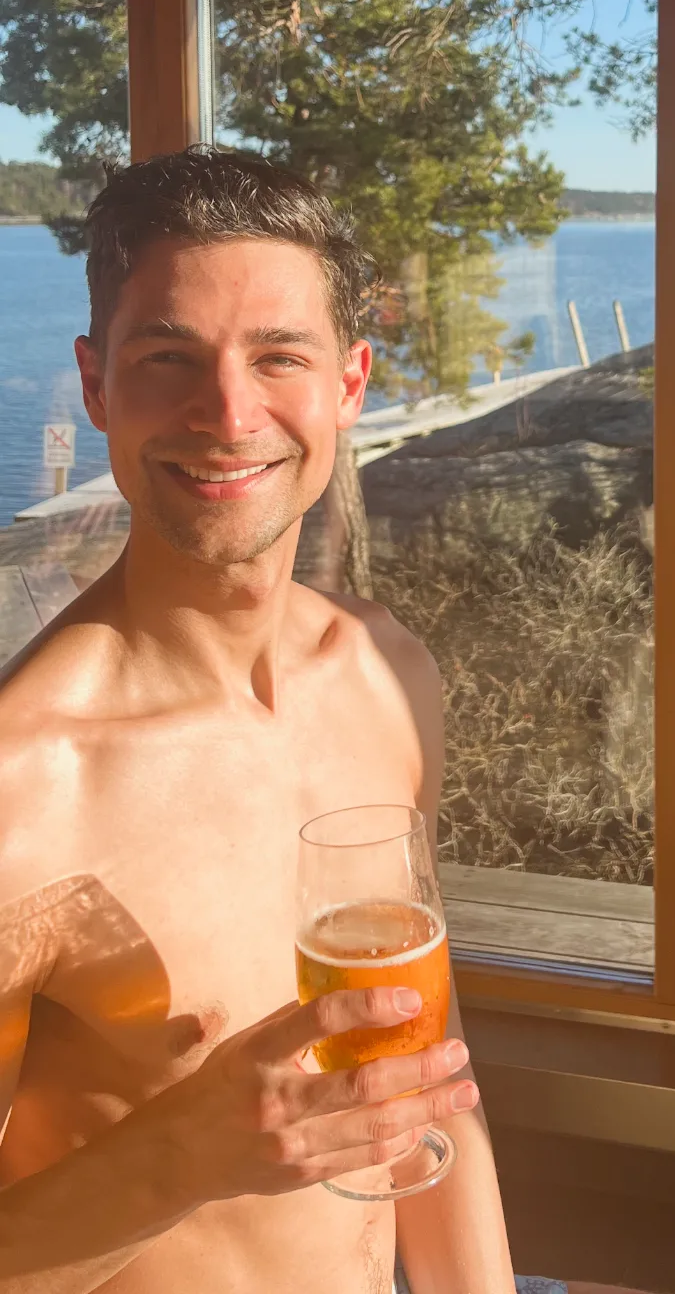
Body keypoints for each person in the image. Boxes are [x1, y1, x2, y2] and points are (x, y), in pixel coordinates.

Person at [0, 149, 636, 1294]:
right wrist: (188, 1150)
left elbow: (427, 1085)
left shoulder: (384, 676)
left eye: (277, 356)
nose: (229, 412)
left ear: (350, 384)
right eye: (167, 358)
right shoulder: (25, 787)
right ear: (96, 386)